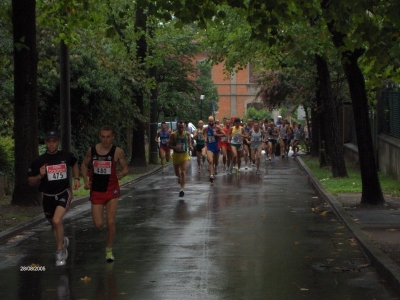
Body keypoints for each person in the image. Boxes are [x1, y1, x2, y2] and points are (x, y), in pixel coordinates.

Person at [28, 131, 80, 266]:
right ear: (45, 142)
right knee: (53, 224)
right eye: (48, 141)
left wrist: (76, 178)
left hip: (64, 193)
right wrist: (40, 175)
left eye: (54, 141)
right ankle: (62, 242)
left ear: (58, 142)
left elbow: (74, 164)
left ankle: (59, 251)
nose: (51, 144)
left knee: (57, 221)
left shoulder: (66, 156)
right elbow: (30, 182)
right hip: (47, 197)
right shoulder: (39, 161)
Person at [81, 125, 129, 262]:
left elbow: (126, 168)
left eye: (108, 137)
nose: (106, 140)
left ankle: (109, 250)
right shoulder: (92, 150)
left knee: (110, 221)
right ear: (99, 137)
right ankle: (108, 247)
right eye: (103, 137)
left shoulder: (117, 152)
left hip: (112, 189)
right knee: (98, 224)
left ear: (112, 137)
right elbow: (84, 165)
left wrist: (122, 174)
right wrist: (85, 181)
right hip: (97, 190)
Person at [168, 120, 193, 196]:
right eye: (179, 128)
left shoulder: (187, 134)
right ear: (177, 127)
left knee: (183, 171)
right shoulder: (173, 135)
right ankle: (179, 178)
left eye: (182, 127)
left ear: (184, 127)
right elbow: (168, 145)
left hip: (184, 155)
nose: (181, 129)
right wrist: (175, 147)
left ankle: (181, 189)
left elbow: (189, 143)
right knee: (177, 173)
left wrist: (190, 147)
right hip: (176, 155)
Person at [203, 116, 225, 183]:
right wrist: (205, 138)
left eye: (212, 121)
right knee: (210, 161)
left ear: (214, 121)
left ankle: (216, 167)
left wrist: (217, 134)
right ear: (208, 121)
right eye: (210, 121)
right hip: (209, 146)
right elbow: (203, 133)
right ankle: (211, 176)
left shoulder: (217, 127)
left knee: (216, 161)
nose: (211, 122)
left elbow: (224, 134)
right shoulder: (206, 128)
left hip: (216, 146)